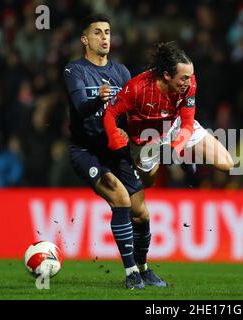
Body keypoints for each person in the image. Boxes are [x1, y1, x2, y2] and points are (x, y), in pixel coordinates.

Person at [63, 14, 166, 289]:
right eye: (97, 33)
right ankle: (131, 272)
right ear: (85, 39)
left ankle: (144, 268)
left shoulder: (121, 72)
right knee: (120, 199)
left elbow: (131, 114)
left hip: (116, 149)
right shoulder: (75, 70)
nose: (104, 37)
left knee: (141, 214)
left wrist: (136, 137)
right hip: (87, 151)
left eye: (107, 32)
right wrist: (99, 97)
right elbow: (79, 107)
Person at [103, 41, 234, 187]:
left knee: (227, 164)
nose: (189, 82)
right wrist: (115, 140)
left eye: (190, 76)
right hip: (145, 138)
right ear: (166, 75)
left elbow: (188, 123)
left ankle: (186, 156)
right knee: (148, 183)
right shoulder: (137, 89)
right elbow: (109, 112)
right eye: (184, 78)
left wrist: (175, 148)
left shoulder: (189, 85)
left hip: (174, 125)